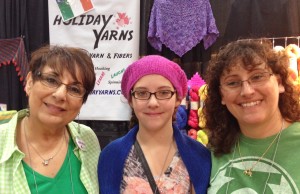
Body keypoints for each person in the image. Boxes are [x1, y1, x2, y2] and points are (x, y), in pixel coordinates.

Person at [98, 55, 211, 194]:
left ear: (178, 98)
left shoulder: (199, 155)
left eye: (163, 92)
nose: (152, 103)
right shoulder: (111, 156)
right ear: (130, 100)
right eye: (142, 93)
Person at [0, 45, 101, 194]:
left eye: (74, 89)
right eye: (52, 80)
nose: (60, 95)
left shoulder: (87, 139)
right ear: (29, 82)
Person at [203, 40, 300, 193]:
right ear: (221, 95)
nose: (247, 91)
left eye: (257, 77)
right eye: (233, 83)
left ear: (279, 82)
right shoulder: (215, 149)